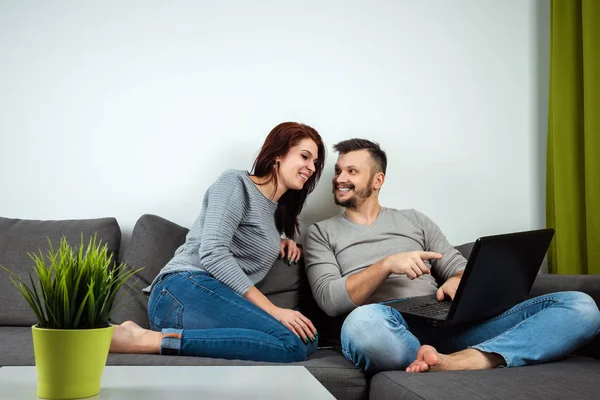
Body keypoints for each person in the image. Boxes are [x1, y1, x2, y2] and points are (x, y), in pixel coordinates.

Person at [303, 138, 600, 375]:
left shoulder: (414, 220)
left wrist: (458, 281)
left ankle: (467, 360)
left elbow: (460, 268)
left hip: (446, 322)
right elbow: (331, 301)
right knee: (362, 324)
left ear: (378, 180)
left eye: (351, 171)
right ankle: (429, 359)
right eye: (339, 171)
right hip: (386, 324)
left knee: (582, 307)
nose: (340, 178)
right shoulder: (321, 232)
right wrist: (386, 265)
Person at [110, 122, 325, 362]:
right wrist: (274, 310)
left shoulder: (275, 217)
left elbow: (249, 238)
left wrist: (281, 242)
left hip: (211, 298)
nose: (311, 167)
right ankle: (147, 339)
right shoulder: (236, 183)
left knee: (306, 340)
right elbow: (213, 252)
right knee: (291, 344)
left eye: (315, 162)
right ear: (277, 155)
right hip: (181, 289)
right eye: (305, 156)